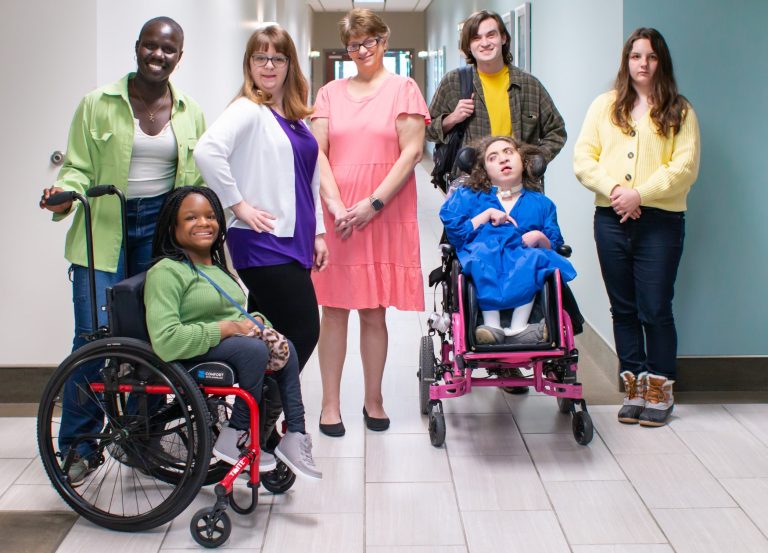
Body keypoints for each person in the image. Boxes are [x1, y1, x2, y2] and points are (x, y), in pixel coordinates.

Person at [38, 17, 206, 485]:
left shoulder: (190, 110)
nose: (158, 55)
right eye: (150, 46)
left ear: (179, 55)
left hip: (160, 231)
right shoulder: (98, 104)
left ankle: (140, 434)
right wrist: (63, 193)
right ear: (137, 48)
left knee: (156, 337)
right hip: (103, 226)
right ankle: (78, 446)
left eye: (168, 49)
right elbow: (76, 168)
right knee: (92, 339)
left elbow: (194, 181)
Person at [194, 26, 327, 449]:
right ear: (249, 64)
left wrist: (319, 231)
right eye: (260, 58)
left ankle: (247, 430)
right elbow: (206, 151)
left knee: (271, 337)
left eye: (278, 58)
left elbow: (311, 177)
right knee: (304, 331)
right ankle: (253, 428)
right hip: (263, 240)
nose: (269, 66)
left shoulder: (291, 115)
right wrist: (238, 206)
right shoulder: (248, 109)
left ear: (290, 64)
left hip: (295, 239)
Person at [144, 186, 321, 480]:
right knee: (253, 351)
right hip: (187, 354)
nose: (204, 223)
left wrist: (256, 323)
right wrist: (228, 328)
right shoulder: (166, 272)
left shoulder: (216, 268)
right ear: (172, 226)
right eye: (191, 218)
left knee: (284, 345)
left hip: (223, 345)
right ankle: (236, 432)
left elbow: (231, 312)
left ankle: (295, 435)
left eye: (211, 216)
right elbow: (166, 340)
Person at [310, 8, 429, 436]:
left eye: (369, 42)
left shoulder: (404, 89)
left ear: (384, 41)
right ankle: (329, 405)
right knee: (335, 310)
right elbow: (317, 152)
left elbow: (411, 152)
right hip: (339, 215)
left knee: (374, 312)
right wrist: (338, 204)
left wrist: (372, 203)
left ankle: (373, 399)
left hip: (383, 212)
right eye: (353, 45)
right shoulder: (328, 94)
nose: (362, 51)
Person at [573, 28, 700, 427]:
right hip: (610, 218)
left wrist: (639, 195)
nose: (642, 64)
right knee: (623, 307)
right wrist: (615, 190)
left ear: (661, 62)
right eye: (635, 56)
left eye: (651, 57)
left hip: (660, 221)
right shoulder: (605, 106)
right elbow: (583, 158)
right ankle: (634, 384)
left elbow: (684, 168)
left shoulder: (679, 110)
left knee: (655, 308)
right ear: (626, 61)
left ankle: (660, 388)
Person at [440, 136, 576, 345]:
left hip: (528, 269)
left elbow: (555, 245)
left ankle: (519, 328)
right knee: (482, 254)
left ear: (524, 161)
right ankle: (490, 326)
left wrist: (540, 238)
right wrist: (486, 214)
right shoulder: (469, 197)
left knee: (536, 258)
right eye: (493, 157)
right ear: (483, 169)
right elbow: (457, 233)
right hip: (483, 264)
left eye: (509, 153)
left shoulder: (541, 204)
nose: (503, 160)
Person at [426, 10, 566, 163]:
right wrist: (451, 119)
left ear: (503, 38)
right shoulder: (453, 82)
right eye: (476, 38)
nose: (485, 43)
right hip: (470, 181)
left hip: (520, 182)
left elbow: (556, 131)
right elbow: (426, 130)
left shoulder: (529, 85)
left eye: (491, 35)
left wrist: (533, 162)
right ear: (468, 46)